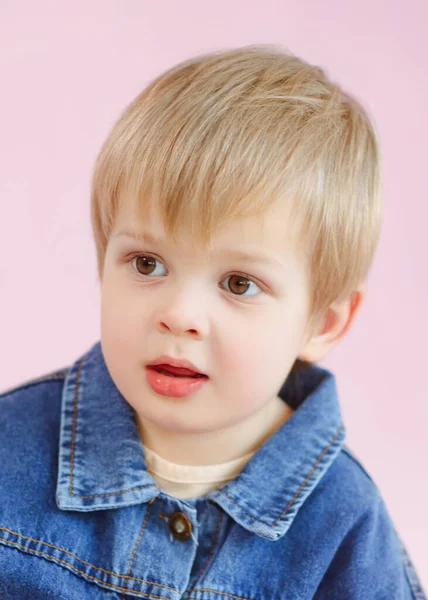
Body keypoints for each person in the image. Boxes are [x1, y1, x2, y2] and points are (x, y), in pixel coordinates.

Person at [0, 45, 425, 599]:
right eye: (147, 264)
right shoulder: (11, 448)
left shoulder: (345, 527)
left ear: (322, 322)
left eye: (238, 284)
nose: (178, 315)